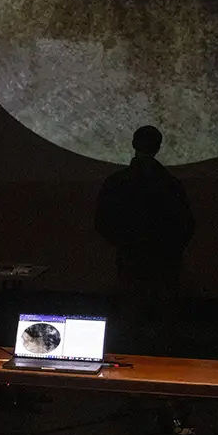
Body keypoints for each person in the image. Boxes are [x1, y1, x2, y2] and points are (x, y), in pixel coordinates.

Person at [93, 125, 195, 349]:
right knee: (165, 318)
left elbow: (101, 220)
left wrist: (123, 243)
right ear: (159, 147)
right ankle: (166, 368)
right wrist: (172, 248)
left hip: (131, 256)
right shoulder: (171, 184)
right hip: (166, 258)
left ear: (133, 144)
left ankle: (129, 362)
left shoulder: (118, 182)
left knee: (130, 314)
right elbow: (186, 223)